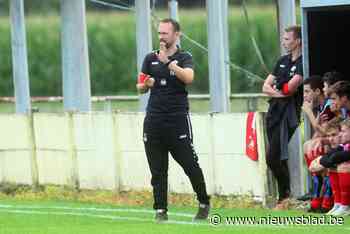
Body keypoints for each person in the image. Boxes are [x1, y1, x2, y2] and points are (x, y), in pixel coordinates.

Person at [136, 18, 210, 222]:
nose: (161, 37)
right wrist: (146, 85)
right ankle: (160, 210)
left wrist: (168, 63)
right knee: (158, 169)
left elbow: (189, 78)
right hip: (154, 120)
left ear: (177, 35)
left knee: (189, 164)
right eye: (159, 33)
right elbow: (139, 86)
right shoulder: (149, 58)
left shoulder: (184, 57)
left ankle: (204, 202)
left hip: (177, 120)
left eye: (165, 33)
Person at [262, 25, 303, 209]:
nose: (284, 42)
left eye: (287, 39)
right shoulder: (281, 61)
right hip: (274, 111)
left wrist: (278, 88)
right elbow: (265, 87)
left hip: (289, 114)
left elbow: (291, 89)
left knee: (272, 157)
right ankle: (285, 198)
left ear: (297, 41)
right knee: (279, 156)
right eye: (284, 38)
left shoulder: (302, 62)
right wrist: (278, 91)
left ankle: (284, 196)